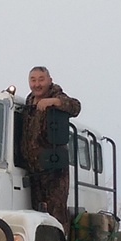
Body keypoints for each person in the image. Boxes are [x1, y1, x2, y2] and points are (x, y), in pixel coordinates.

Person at [20, 65, 81, 230]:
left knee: (56, 214)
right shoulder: (28, 101)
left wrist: (53, 102)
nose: (37, 84)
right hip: (33, 170)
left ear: (49, 80)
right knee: (35, 216)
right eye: (33, 80)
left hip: (53, 169)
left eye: (41, 79)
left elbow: (75, 107)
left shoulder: (56, 96)